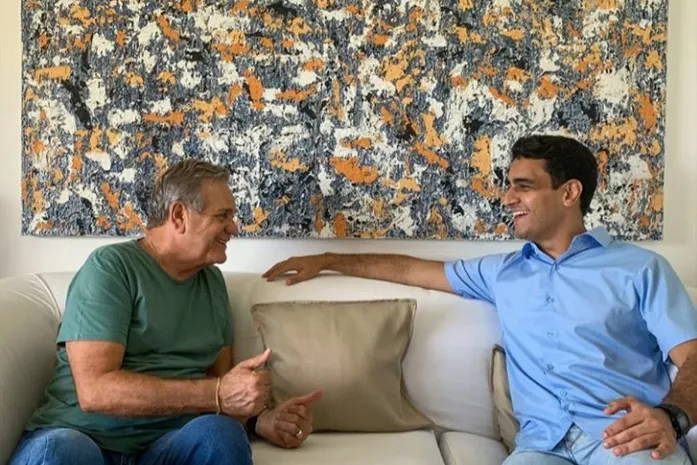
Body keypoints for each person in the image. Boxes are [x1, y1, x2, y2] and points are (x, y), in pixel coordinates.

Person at [263, 135, 697, 465]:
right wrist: (328, 259)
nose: (508, 199)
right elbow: (411, 271)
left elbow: (693, 356)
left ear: (569, 193)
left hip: (625, 440)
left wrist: (672, 417)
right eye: (509, 186)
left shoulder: (640, 268)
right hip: (541, 447)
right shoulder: (503, 272)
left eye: (524, 186)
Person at [10, 159, 322, 465]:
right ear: (179, 215)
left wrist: (260, 419)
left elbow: (224, 389)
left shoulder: (212, 283)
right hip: (84, 439)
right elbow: (95, 392)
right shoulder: (111, 269)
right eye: (223, 216)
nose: (234, 227)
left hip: (166, 446)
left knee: (221, 435)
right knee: (59, 452)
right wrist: (216, 393)